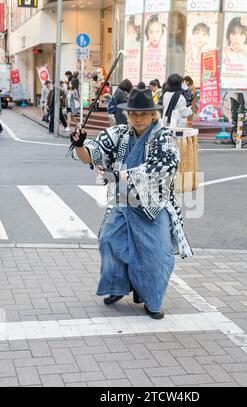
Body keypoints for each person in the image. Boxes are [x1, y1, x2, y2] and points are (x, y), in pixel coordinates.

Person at [70, 88, 192, 319]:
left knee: (155, 255)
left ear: (153, 115)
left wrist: (118, 175)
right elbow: (92, 155)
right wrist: (80, 144)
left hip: (153, 207)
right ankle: (118, 286)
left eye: (143, 114)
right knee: (108, 240)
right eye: (134, 113)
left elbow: (161, 168)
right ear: (128, 114)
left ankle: (152, 300)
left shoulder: (163, 137)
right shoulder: (119, 134)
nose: (138, 118)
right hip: (124, 203)